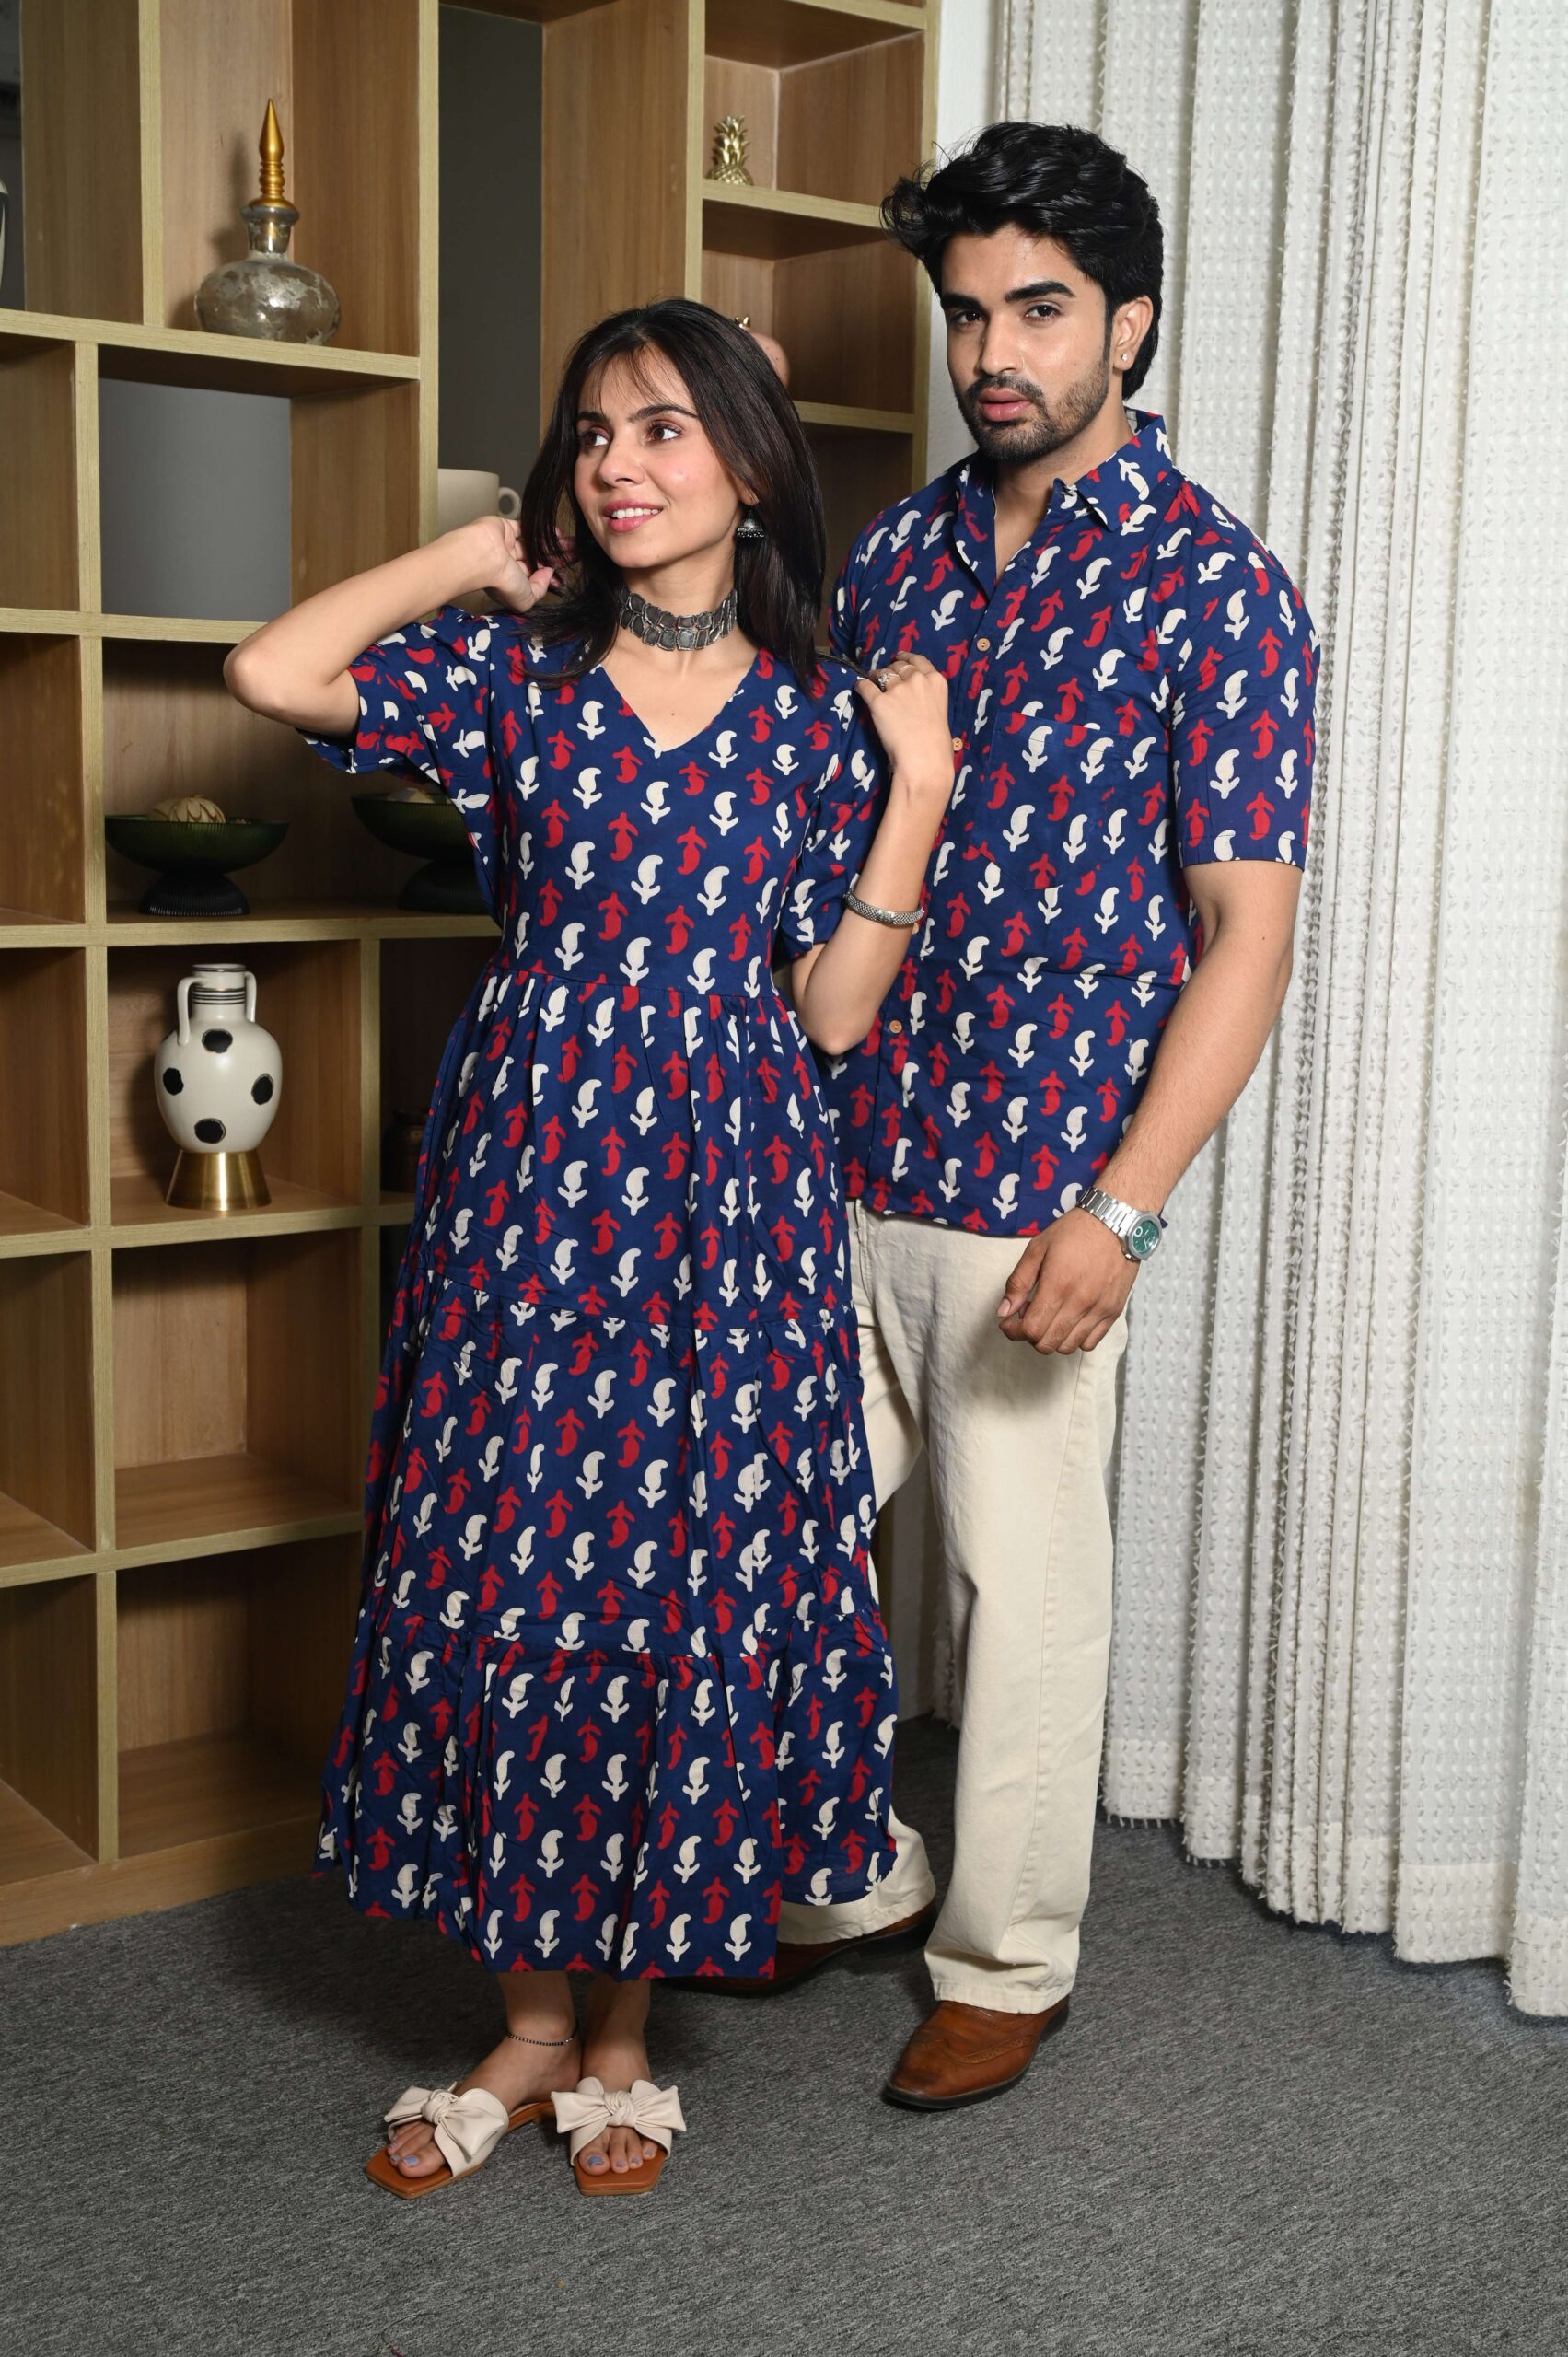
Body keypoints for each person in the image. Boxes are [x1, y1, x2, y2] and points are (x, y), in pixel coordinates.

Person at [223, 298, 957, 2195]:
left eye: (662, 428)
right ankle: (532, 2023)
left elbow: (836, 1009)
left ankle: (624, 2036)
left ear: (749, 466)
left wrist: (921, 792)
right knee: (513, 1568)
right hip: (530, 1184)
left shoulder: (821, 715)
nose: (619, 465)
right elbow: (274, 668)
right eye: (594, 433)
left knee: (674, 1588)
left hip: (732, 1199)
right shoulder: (513, 671)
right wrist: (475, 551)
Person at [756, 122, 1319, 2111]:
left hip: (1036, 1193)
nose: (994, 352)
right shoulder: (897, 557)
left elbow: (1247, 936)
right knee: (767, 1533)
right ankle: (843, 1868)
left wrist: (1126, 1210)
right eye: (968, 310)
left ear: (1129, 324)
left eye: (1042, 310)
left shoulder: (1217, 590)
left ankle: (1005, 1960)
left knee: (1022, 1597)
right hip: (837, 1153)